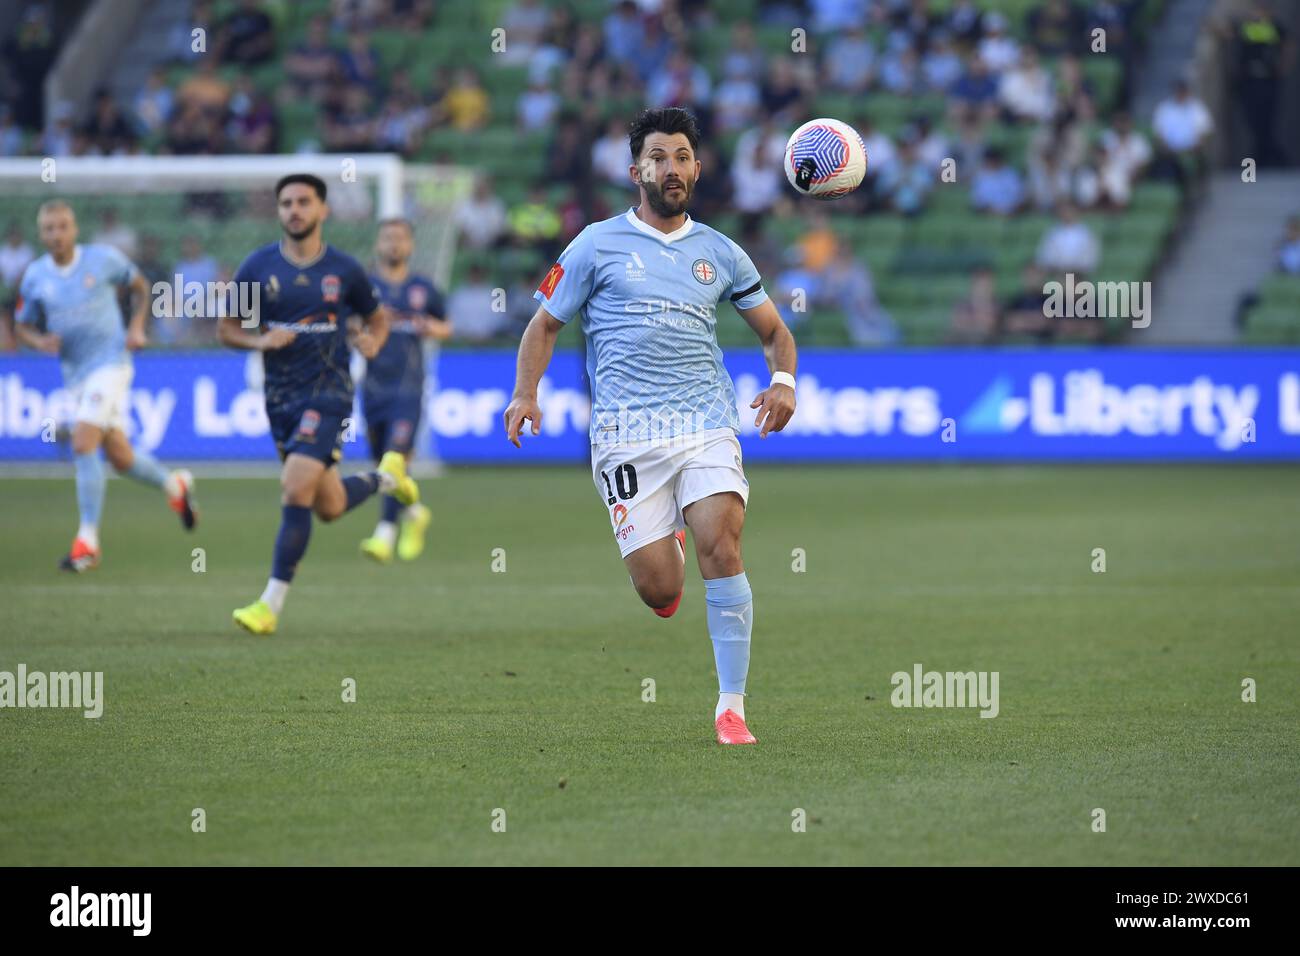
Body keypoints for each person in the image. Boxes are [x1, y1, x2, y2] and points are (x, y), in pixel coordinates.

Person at [502, 108, 798, 746]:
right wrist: (527, 392)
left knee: (723, 544)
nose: (672, 167)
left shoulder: (720, 251)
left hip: (706, 422)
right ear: (635, 169)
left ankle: (731, 707)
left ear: (697, 167)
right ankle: (668, 550)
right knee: (660, 591)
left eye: (683, 156)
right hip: (626, 433)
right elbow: (544, 325)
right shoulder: (594, 244)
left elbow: (775, 332)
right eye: (658, 157)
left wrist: (784, 381)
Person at [217, 174, 417, 636]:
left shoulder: (344, 270)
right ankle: (391, 478)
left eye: (304, 202)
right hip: (279, 398)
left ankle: (270, 604)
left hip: (328, 394)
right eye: (286, 202)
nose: (294, 210)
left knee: (293, 488)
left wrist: (372, 341)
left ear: (322, 210)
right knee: (326, 504)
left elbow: (377, 319)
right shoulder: (257, 267)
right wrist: (259, 339)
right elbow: (226, 329)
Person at [14, 201, 197, 571]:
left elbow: (141, 286)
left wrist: (136, 327)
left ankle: (88, 541)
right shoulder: (35, 277)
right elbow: (22, 324)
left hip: (112, 364)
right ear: (41, 234)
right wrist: (38, 342)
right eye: (49, 228)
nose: (56, 234)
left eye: (62, 226)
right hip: (76, 375)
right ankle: (174, 486)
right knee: (120, 457)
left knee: (83, 442)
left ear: (75, 229)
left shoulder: (102, 260)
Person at [358, 219, 450, 564]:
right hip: (372, 387)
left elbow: (447, 326)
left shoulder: (423, 289)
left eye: (400, 238)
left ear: (410, 245)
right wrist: (359, 335)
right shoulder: (365, 287)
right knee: (385, 464)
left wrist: (430, 327)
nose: (394, 244)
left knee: (394, 461)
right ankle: (415, 514)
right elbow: (350, 324)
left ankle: (384, 533)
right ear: (378, 245)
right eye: (387, 238)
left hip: (408, 388)